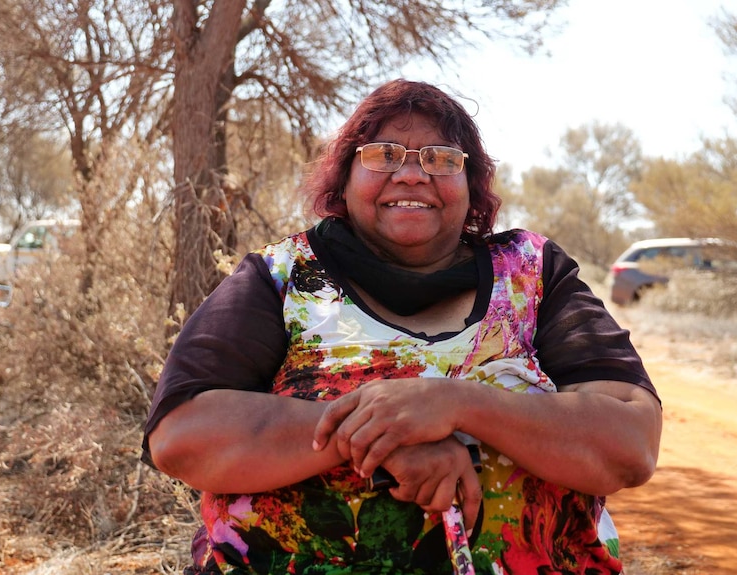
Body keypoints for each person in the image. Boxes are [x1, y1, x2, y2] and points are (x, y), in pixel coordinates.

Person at [143, 78, 663, 575]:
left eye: (441, 159)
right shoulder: (281, 277)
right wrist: (383, 437)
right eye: (384, 155)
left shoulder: (533, 273)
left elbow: (630, 445)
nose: (413, 175)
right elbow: (182, 436)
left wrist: (457, 405)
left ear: (471, 182)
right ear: (344, 179)